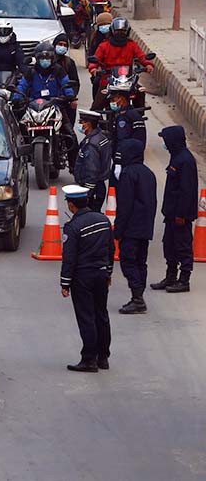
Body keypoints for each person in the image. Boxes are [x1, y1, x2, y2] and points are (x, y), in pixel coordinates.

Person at [60, 183, 114, 373]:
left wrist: (65, 283)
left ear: (72, 205)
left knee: (86, 317)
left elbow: (69, 258)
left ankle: (89, 359)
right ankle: (103, 357)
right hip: (101, 274)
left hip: (83, 277)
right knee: (101, 314)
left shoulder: (72, 227)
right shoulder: (103, 220)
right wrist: (108, 272)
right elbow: (110, 249)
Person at [151, 126, 199, 293]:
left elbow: (187, 191)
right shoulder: (176, 157)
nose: (164, 143)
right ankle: (171, 276)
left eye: (165, 139)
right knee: (169, 245)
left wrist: (181, 214)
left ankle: (184, 280)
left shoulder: (185, 160)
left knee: (183, 246)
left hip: (180, 214)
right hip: (171, 212)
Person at [114, 138, 157, 314]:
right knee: (141, 262)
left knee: (128, 261)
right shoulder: (148, 173)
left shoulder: (128, 174)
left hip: (131, 227)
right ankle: (139, 294)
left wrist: (118, 230)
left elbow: (125, 205)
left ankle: (137, 298)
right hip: (145, 227)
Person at [89, 17, 154, 109]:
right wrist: (93, 68)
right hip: (108, 80)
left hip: (129, 80)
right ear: (112, 31)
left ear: (127, 32)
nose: (120, 33)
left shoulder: (132, 45)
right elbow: (95, 59)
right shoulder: (104, 46)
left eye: (123, 31)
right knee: (95, 108)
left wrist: (148, 65)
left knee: (140, 92)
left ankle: (139, 118)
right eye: (117, 31)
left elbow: (142, 57)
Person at [74, 109, 112, 212]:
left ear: (88, 124)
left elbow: (92, 170)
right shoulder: (101, 137)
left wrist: (87, 193)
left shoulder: (91, 144)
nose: (80, 125)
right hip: (98, 186)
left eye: (81, 122)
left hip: (93, 188)